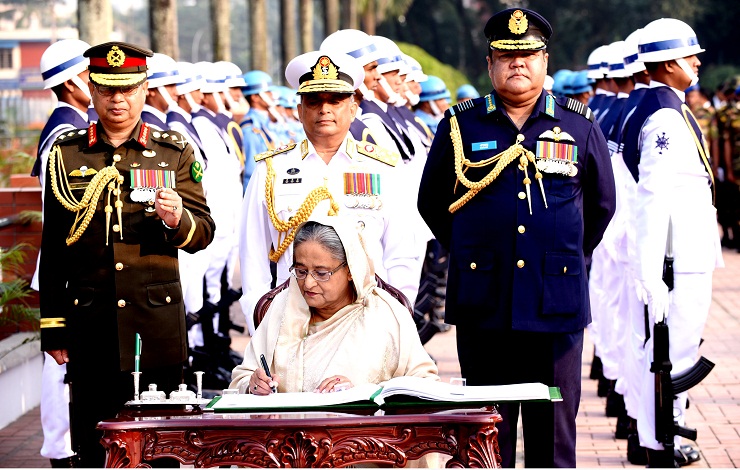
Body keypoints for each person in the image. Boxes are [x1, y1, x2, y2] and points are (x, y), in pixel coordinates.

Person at [417, 8, 616, 467]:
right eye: (507, 55)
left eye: (528, 54)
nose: (518, 63)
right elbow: (432, 202)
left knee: (554, 435)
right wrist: (473, 252)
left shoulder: (580, 125)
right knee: (489, 435)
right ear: (490, 64)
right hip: (485, 302)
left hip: (556, 303)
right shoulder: (460, 126)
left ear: (545, 60)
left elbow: (602, 207)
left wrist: (562, 255)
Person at [38, 42, 215, 467]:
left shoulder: (174, 150)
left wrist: (177, 221)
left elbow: (204, 231)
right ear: (93, 90)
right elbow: (54, 246)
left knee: (160, 448)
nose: (118, 99)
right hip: (91, 326)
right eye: (107, 90)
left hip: (155, 329)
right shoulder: (66, 154)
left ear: (144, 89)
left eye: (128, 89)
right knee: (93, 444)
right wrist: (54, 328)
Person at [238, 49, 419, 336]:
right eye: (314, 101)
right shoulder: (271, 170)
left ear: (353, 107)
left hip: (368, 319)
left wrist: (397, 319)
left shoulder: (382, 168)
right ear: (300, 110)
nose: (325, 109)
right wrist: (261, 325)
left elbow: (401, 255)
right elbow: (253, 259)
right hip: (292, 321)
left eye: (336, 100)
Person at [620, 18, 722, 467]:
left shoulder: (668, 109)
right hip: (677, 257)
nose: (697, 61)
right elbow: (653, 196)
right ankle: (660, 440)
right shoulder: (664, 117)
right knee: (669, 353)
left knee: (671, 350)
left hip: (685, 251)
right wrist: (650, 272)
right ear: (669, 63)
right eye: (690, 54)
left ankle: (663, 432)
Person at [232, 218, 439, 394]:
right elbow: (242, 378)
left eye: (321, 273)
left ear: (351, 270)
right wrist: (253, 386)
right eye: (301, 271)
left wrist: (361, 393)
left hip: (365, 437)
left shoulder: (386, 315)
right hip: (284, 436)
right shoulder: (282, 307)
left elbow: (424, 385)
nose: (308, 283)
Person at [33, 37, 92, 469]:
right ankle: (61, 449)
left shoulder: (70, 125)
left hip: (71, 264)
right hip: (66, 266)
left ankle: (65, 446)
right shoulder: (64, 133)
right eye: (91, 76)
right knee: (61, 367)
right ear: (72, 82)